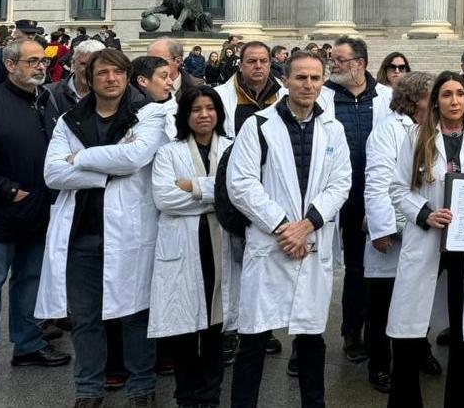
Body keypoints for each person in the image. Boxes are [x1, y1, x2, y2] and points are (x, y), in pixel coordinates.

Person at [39, 48, 176, 407]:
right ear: (90, 78)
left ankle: (141, 388)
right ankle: (88, 389)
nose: (111, 79)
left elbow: (134, 158)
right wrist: (105, 174)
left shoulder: (149, 114)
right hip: (82, 234)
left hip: (131, 232)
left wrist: (80, 159)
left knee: (134, 314)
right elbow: (53, 174)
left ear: (127, 76)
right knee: (85, 319)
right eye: (103, 73)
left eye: (118, 72)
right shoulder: (70, 119)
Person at [226, 51, 352, 408]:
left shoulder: (333, 128)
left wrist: (307, 225)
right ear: (285, 80)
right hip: (271, 244)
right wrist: (284, 228)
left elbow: (341, 183)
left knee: (311, 339)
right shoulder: (258, 125)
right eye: (301, 77)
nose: (308, 85)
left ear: (323, 81)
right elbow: (242, 184)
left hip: (311, 242)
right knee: (253, 339)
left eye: (315, 78)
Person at [387, 71, 464, 408]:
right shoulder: (417, 136)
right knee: (408, 329)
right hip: (427, 239)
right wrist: (425, 214)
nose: (454, 101)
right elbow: (397, 188)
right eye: (447, 94)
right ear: (436, 100)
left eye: (460, 94)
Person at [0, 40, 73, 394]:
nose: (41, 67)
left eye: (43, 60)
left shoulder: (47, 101)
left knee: (30, 283)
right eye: (33, 61)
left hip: (39, 214)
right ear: (10, 66)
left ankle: (27, 345)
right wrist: (8, 190)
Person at [147, 87, 232, 408]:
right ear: (185, 115)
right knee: (182, 329)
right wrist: (214, 196)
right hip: (182, 248)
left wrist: (193, 186)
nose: (204, 115)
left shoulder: (231, 148)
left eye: (210, 108)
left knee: (215, 327)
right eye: (196, 109)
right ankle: (186, 396)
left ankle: (210, 396)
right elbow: (164, 198)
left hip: (220, 247)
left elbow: (236, 195)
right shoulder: (169, 153)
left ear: (218, 113)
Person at [315, 36, 394, 366]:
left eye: (339, 60)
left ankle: (368, 333)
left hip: (376, 196)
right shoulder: (322, 96)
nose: (332, 64)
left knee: (373, 269)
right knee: (333, 270)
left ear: (359, 64)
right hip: (336, 198)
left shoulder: (387, 97)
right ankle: (325, 339)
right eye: (332, 59)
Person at [363, 71, 435, 394]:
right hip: (392, 232)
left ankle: (419, 350)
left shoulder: (429, 130)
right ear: (415, 99)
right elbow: (377, 183)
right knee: (382, 302)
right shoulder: (387, 132)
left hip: (421, 230)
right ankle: (379, 363)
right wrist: (381, 229)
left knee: (416, 298)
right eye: (431, 95)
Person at [214, 42, 288, 140]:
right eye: (252, 61)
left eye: (263, 61)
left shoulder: (285, 95)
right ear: (240, 65)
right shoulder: (218, 96)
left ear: (270, 65)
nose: (258, 66)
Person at [45, 39, 105, 115]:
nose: (89, 70)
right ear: (73, 63)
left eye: (95, 64)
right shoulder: (49, 93)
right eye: (83, 64)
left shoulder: (112, 95)